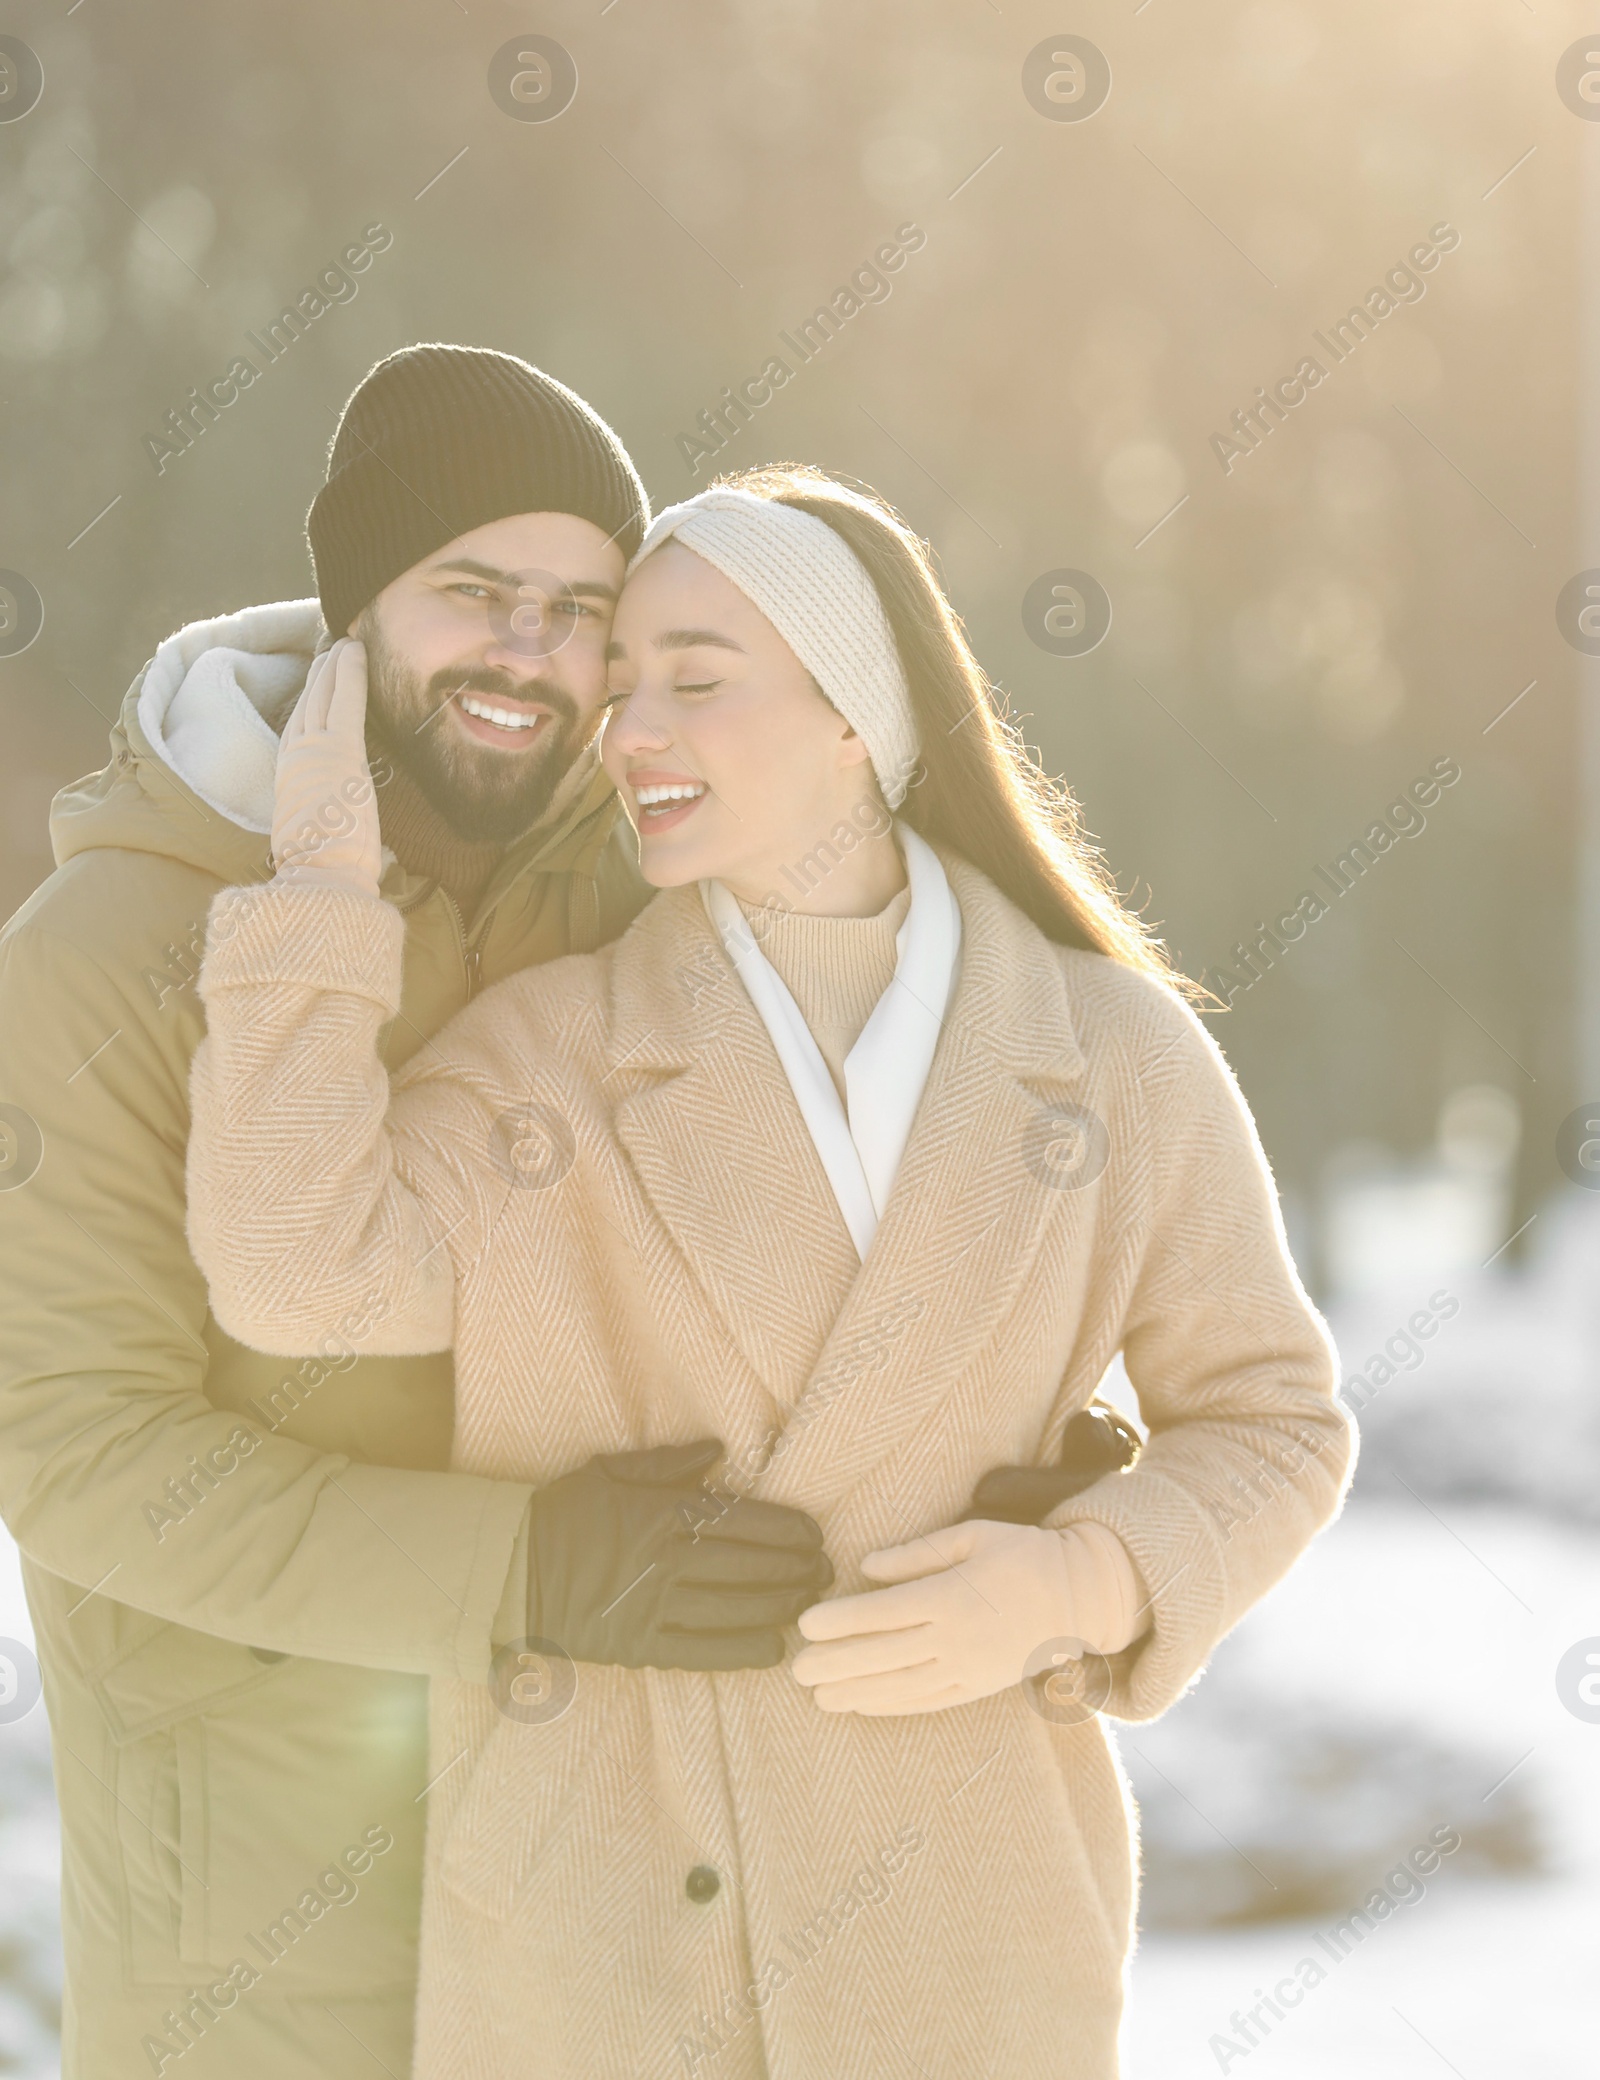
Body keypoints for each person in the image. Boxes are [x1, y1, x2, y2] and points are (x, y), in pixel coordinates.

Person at [186, 468, 1356, 2080]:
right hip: (594, 1951)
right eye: (623, 690)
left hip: (973, 1950)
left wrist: (1083, 1584)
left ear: (856, 717)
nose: (628, 729)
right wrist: (314, 885)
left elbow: (1278, 1422)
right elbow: (288, 1278)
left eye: (697, 680)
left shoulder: (1117, 1058)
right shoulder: (551, 1052)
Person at [0, 351, 829, 2080]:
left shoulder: (643, 897)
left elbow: (825, 1212)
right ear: (355, 606)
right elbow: (71, 1452)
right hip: (267, 1929)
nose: (528, 650)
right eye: (472, 592)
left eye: (578, 607)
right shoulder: (96, 962)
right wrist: (519, 1569)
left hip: (612, 1890)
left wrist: (1017, 1429)